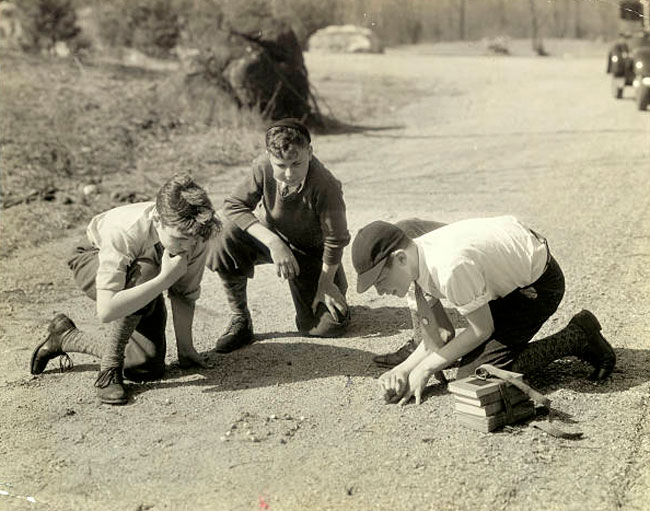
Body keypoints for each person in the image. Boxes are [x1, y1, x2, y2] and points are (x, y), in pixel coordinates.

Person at [351, 215, 616, 405]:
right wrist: (405, 369)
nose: (380, 292)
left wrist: (426, 369)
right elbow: (440, 336)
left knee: (478, 375)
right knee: (466, 364)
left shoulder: (448, 268)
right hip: (506, 283)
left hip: (538, 285)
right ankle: (576, 334)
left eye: (380, 281)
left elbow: (481, 329)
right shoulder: (415, 259)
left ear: (399, 258)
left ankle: (578, 335)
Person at [30, 174, 220, 405]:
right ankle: (109, 370)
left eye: (193, 239)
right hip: (91, 258)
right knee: (149, 265)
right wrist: (163, 280)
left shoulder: (193, 235)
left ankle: (66, 337)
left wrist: (186, 349)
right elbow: (107, 310)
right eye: (181, 239)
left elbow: (184, 293)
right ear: (158, 220)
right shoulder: (127, 231)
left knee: (144, 366)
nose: (188, 246)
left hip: (141, 276)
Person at [207, 118, 350, 352]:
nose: (289, 173)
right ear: (268, 156)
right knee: (222, 228)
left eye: (297, 163)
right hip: (271, 236)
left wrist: (326, 283)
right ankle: (240, 318)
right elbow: (234, 206)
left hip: (310, 250)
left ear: (310, 152)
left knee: (326, 327)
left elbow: (336, 239)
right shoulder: (263, 166)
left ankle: (334, 292)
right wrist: (274, 242)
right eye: (280, 166)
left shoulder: (325, 184)